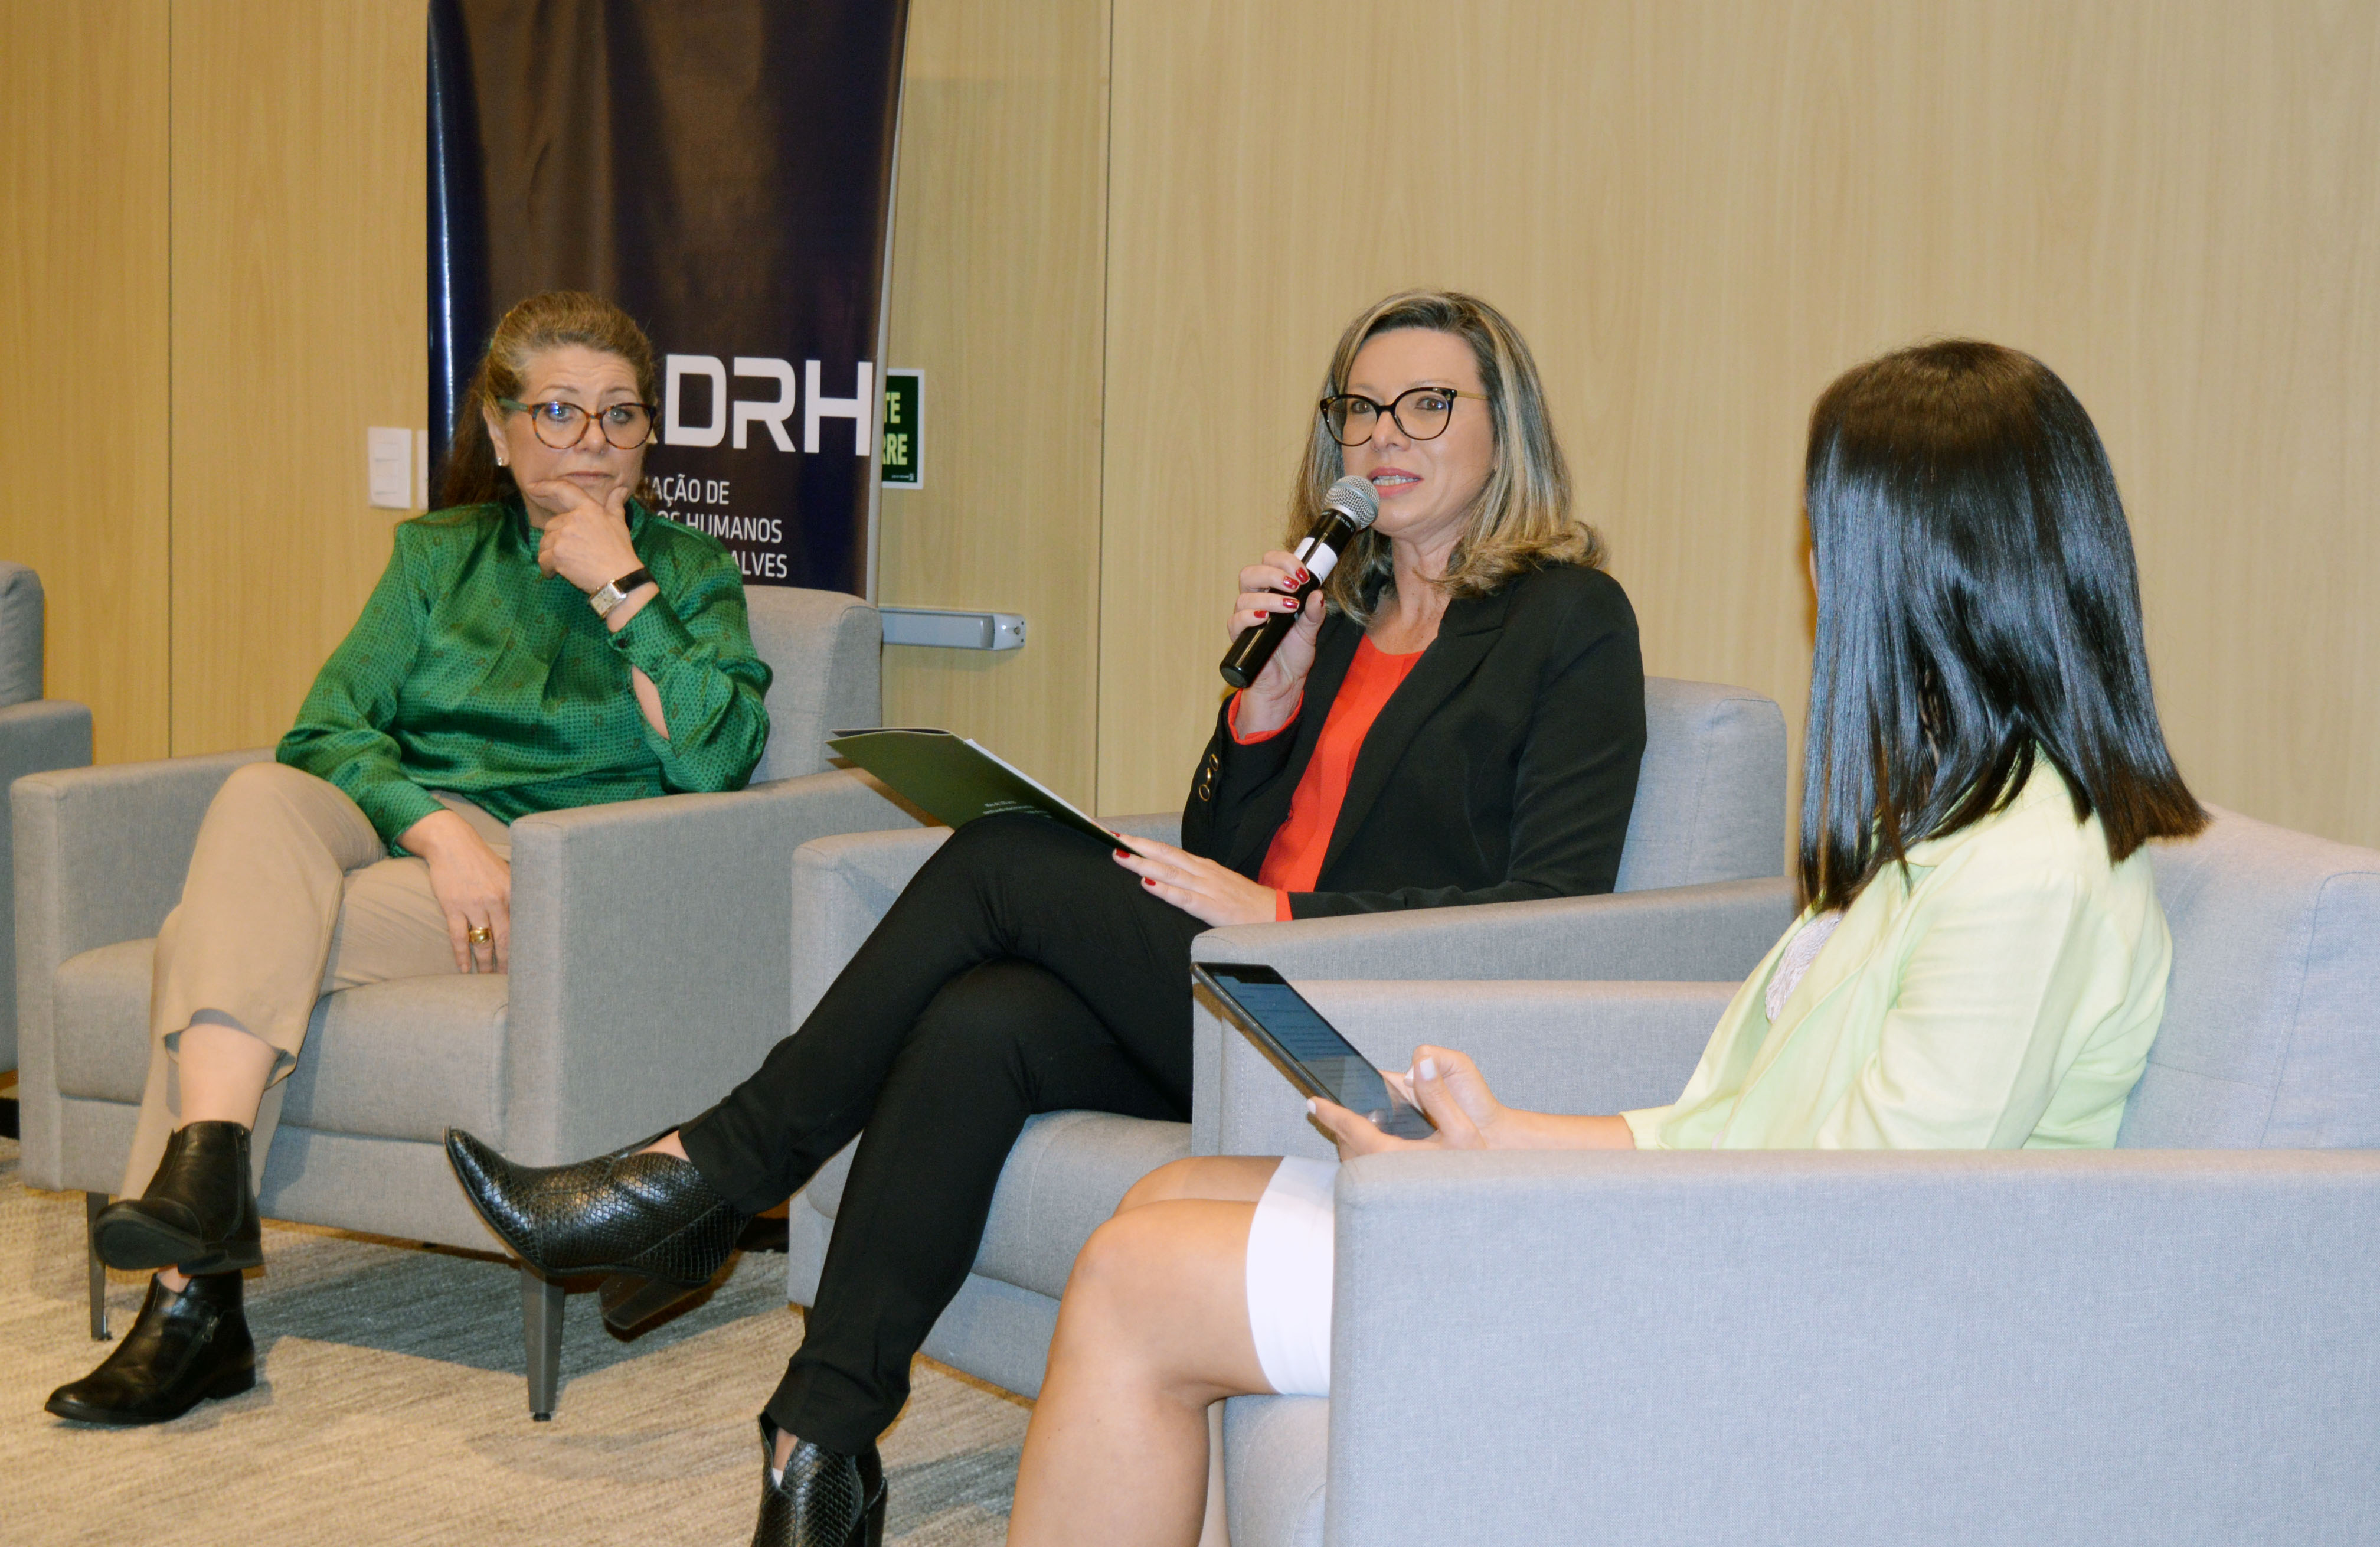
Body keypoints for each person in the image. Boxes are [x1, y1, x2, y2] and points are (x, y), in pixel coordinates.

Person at [444, 289, 1648, 1546]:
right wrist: (1266, 708)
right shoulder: (1334, 612)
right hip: (1241, 988)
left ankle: (706, 1174)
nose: (1384, 434)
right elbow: (1224, 854)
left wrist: (1286, 909)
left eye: (1427, 405)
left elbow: (1552, 903)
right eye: (1360, 408)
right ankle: (820, 1448)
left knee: (1005, 854)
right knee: (980, 1022)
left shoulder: (1568, 618)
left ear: (1503, 430)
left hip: (1369, 1029)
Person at [1003, 338, 2210, 1547]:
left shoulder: (2028, 871)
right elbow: (1734, 1123)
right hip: (1713, 1241)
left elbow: (1867, 1219)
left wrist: (1527, 1202)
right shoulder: (1947, 823)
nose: (1815, 571)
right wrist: (1499, 1139)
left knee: (1139, 1277)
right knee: (1170, 1193)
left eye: (1829, 540)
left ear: (1930, 573)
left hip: (1765, 1311)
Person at [43, 291, 772, 1428]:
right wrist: (438, 835)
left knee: (202, 939)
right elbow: (328, 728)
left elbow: (717, 760)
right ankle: (206, 1192)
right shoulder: (437, 556)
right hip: (420, 852)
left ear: (648, 435)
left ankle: (193, 1295)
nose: (592, 441)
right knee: (264, 794)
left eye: (620, 415)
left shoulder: (688, 571)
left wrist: (621, 587)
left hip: (559, 877)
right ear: (500, 430)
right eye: (560, 411)